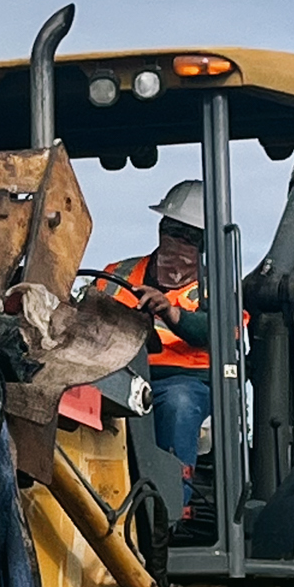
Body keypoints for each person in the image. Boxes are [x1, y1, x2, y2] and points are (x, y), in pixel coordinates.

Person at [88, 181, 215, 477]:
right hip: (117, 374)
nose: (177, 241)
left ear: (206, 245)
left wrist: (171, 312)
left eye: (189, 237)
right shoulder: (116, 273)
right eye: (171, 230)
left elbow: (213, 331)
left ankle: (171, 504)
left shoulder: (217, 288)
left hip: (183, 382)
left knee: (177, 405)